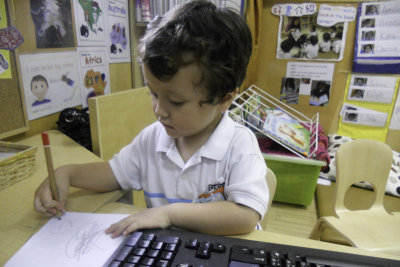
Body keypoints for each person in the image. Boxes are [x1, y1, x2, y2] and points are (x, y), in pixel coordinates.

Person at [34, 0, 269, 237]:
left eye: (176, 101)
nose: (160, 111)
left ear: (224, 99)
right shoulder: (151, 139)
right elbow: (113, 174)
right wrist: (67, 174)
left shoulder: (239, 144)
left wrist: (167, 214)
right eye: (153, 94)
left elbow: (245, 216)